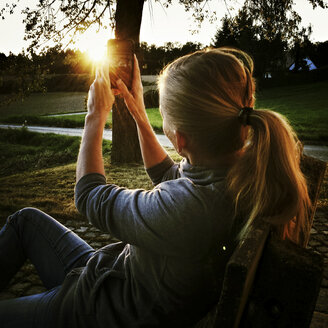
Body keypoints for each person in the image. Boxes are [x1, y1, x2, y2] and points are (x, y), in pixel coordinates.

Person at [0, 48, 311, 327]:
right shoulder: (242, 175)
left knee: (23, 224)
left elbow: (89, 196)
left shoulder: (190, 210)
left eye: (163, 118)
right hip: (110, 280)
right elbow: (168, 174)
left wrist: (94, 115)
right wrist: (138, 112)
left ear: (180, 139)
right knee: (26, 219)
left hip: (93, 309)